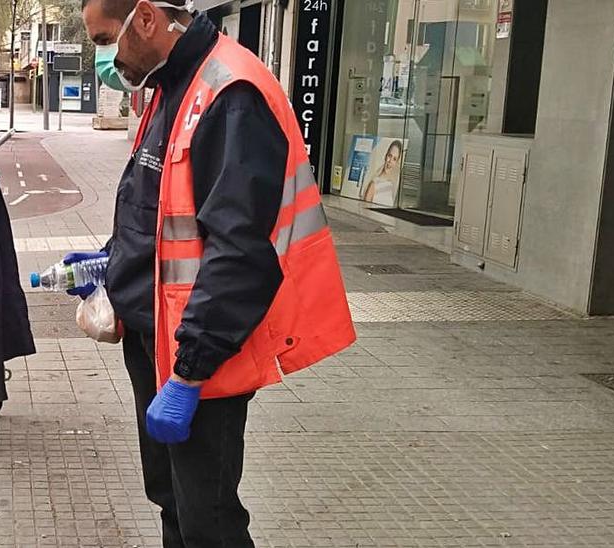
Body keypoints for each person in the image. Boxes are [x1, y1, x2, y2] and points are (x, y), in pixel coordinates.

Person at [76, 1, 357, 546]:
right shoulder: (169, 88)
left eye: (104, 39)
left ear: (146, 18)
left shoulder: (231, 94)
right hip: (155, 341)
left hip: (198, 358)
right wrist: (111, 263)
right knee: (172, 500)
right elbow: (154, 208)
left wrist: (188, 375)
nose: (104, 59)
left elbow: (240, 254)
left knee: (209, 519)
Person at [363, 140, 402, 206]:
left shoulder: (391, 184)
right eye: (390, 156)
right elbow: (364, 211)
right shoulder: (373, 184)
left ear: (396, 163)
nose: (390, 161)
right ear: (385, 156)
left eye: (394, 159)